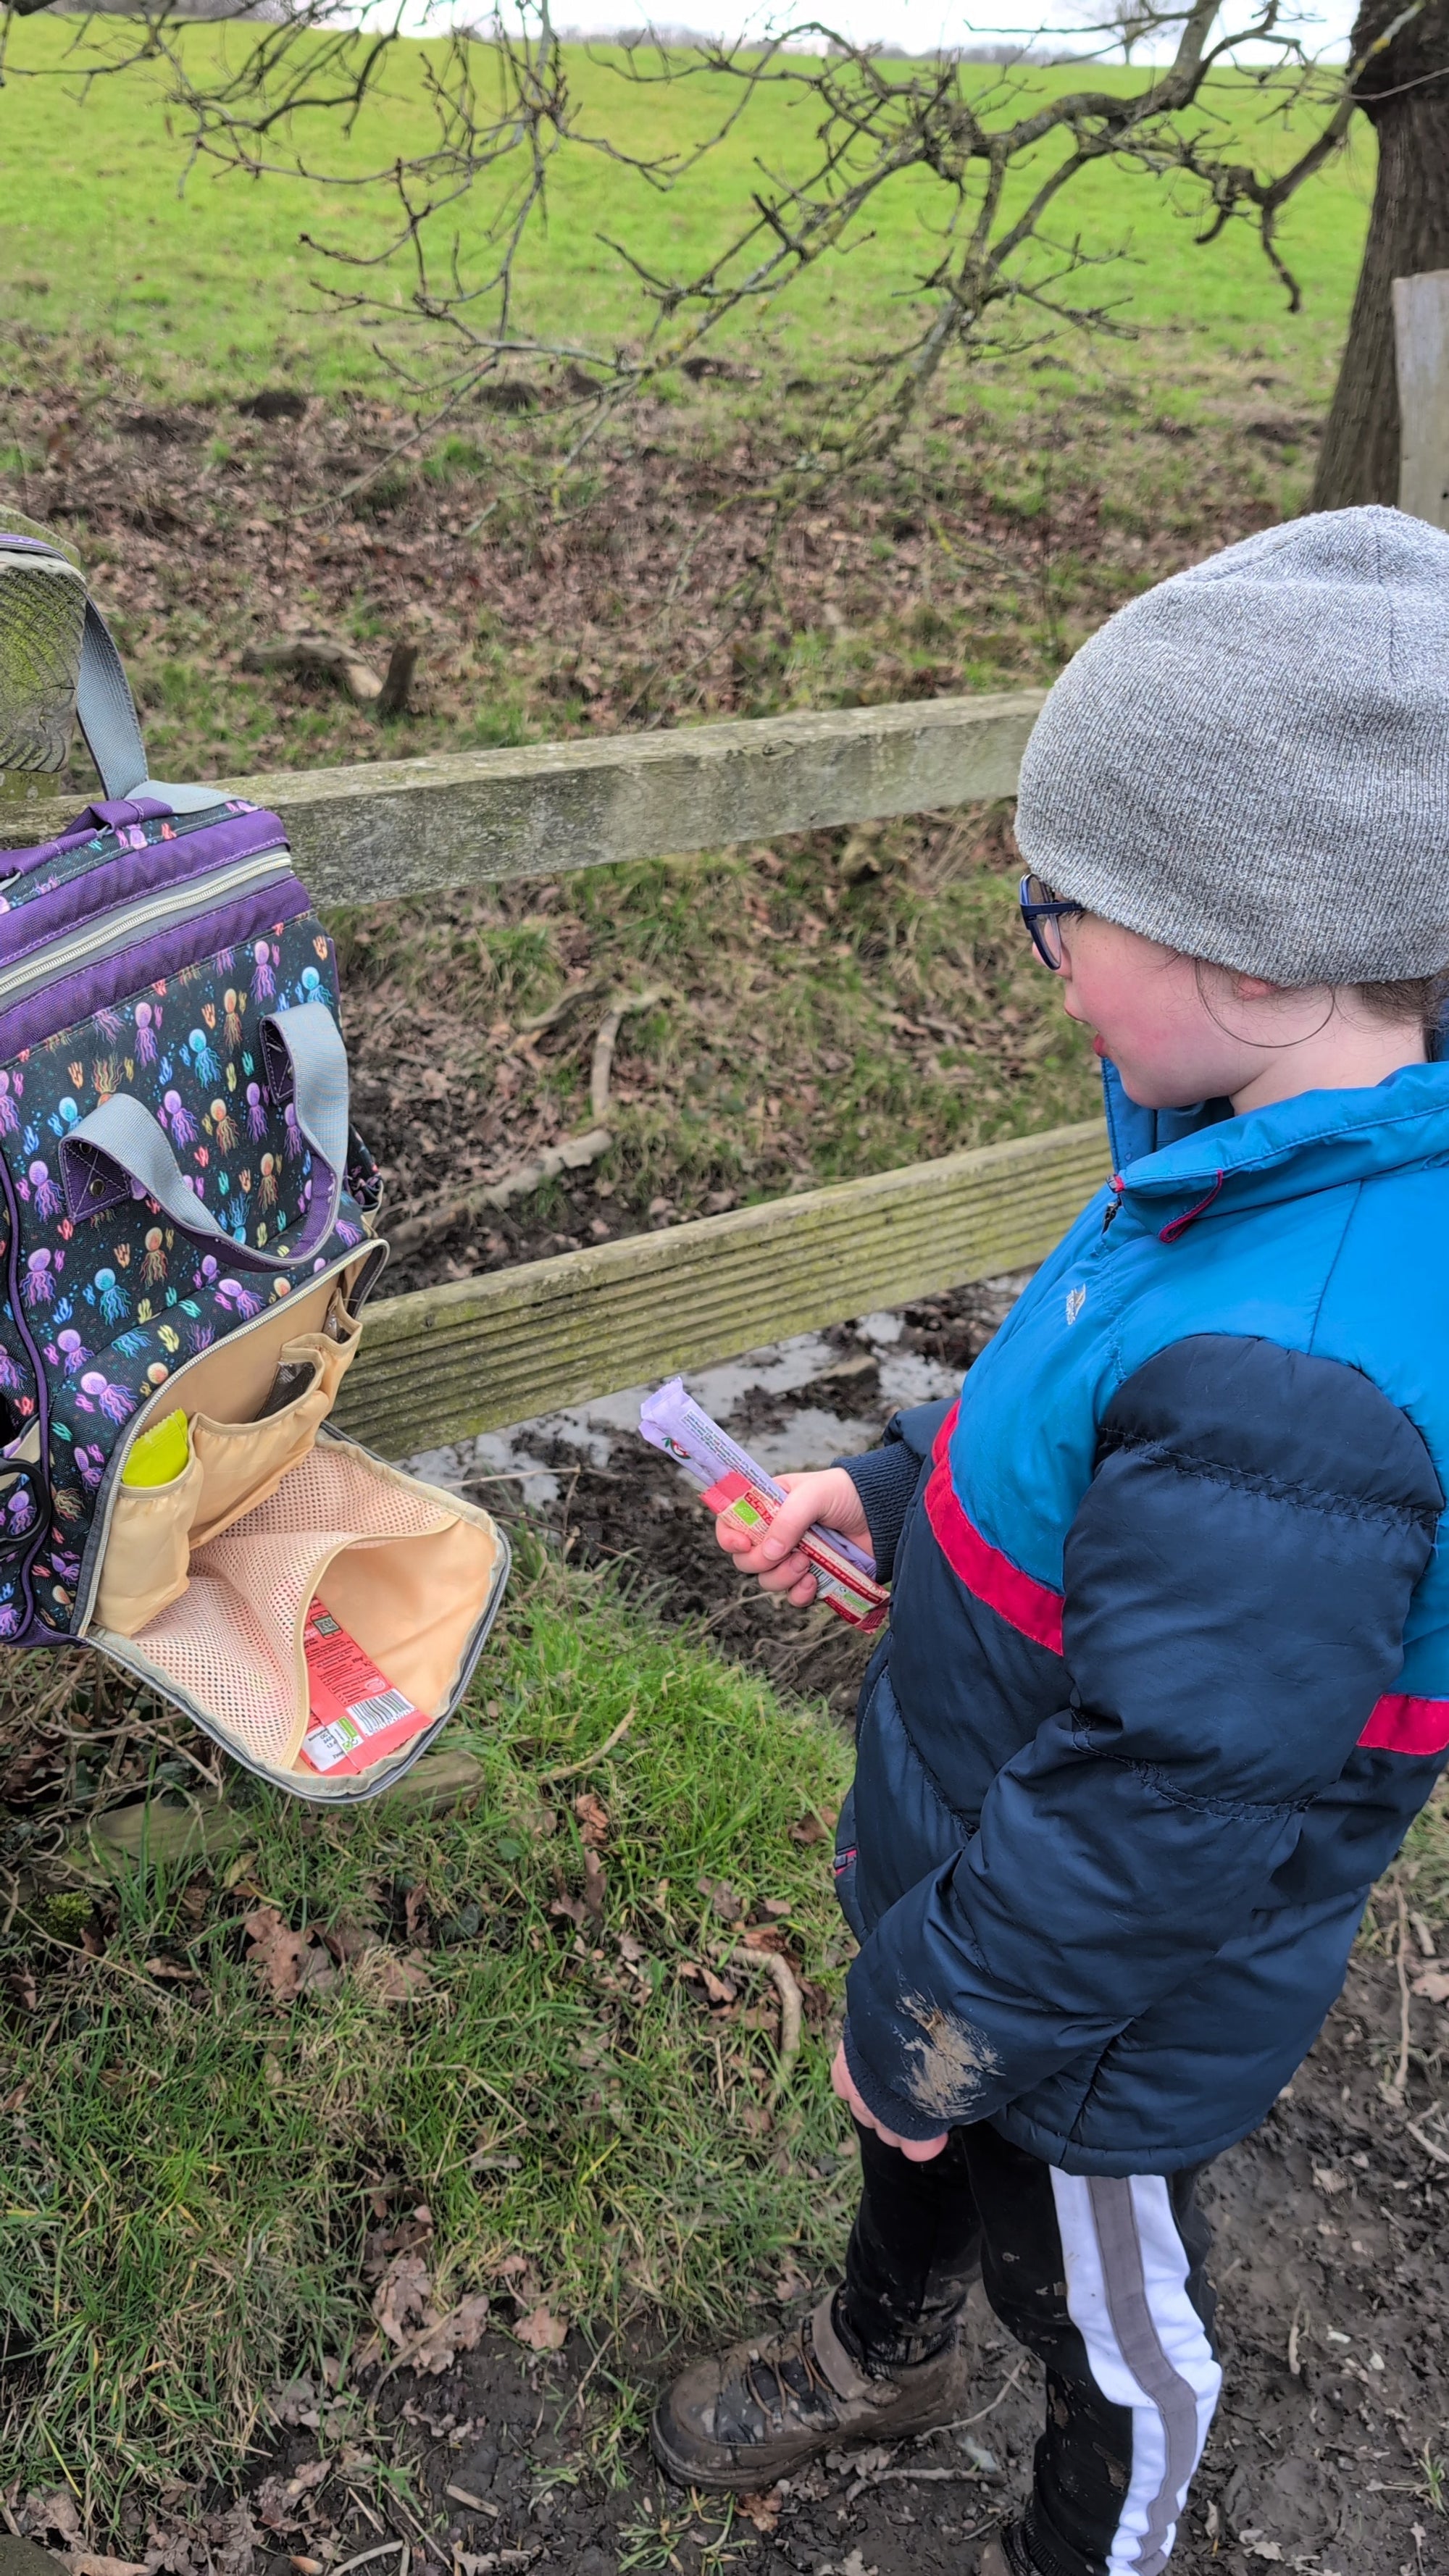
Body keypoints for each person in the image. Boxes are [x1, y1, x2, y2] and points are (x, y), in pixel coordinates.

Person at [649, 506, 1449, 2576]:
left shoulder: (1309, 1368)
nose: (1038, 946)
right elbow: (1074, 1404)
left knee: (1096, 2304)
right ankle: (880, 2344)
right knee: (907, 2138)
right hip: (983, 1889)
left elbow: (1173, 1796)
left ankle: (1090, 2533)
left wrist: (946, 2007)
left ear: (1248, 942)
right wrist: (907, 1491)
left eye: (1058, 910)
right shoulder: (1227, 1153)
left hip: (1090, 2003)